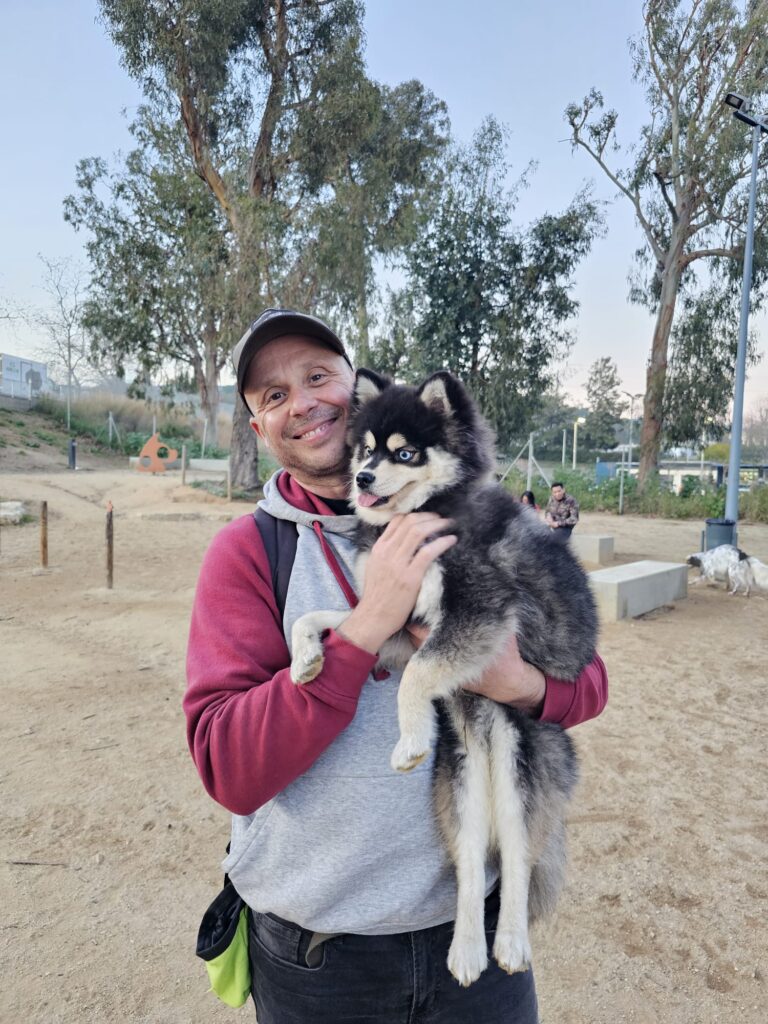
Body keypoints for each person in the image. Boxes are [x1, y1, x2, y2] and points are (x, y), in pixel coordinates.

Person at [184, 308, 608, 1024]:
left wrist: (523, 685)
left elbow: (588, 680)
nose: (304, 403)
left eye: (318, 377)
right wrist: (360, 632)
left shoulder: (484, 513)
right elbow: (228, 768)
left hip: (468, 928)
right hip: (318, 954)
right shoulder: (247, 554)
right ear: (257, 428)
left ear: (356, 391)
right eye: (274, 395)